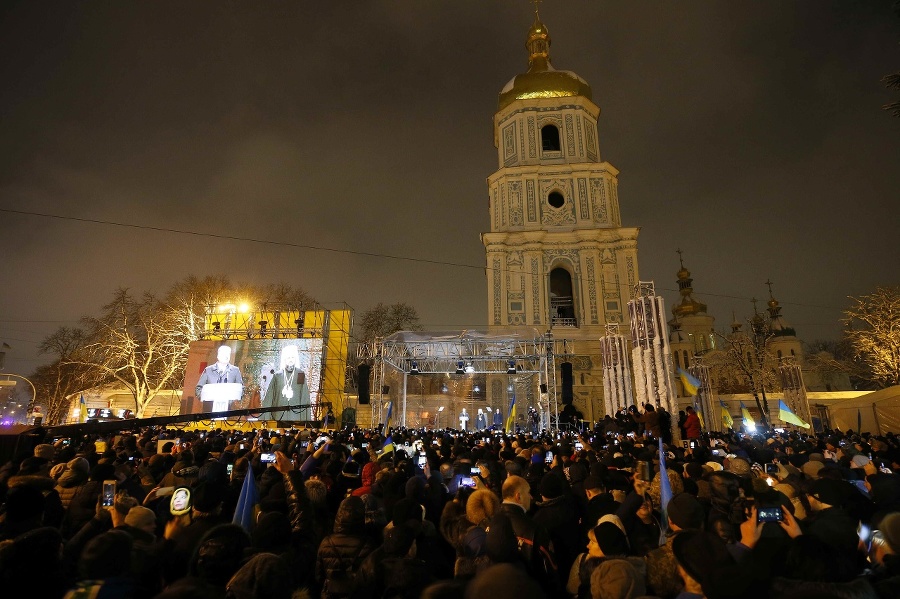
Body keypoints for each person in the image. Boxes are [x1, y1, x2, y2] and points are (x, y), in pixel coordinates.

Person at [263, 345, 311, 422]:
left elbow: (304, 396)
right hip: (278, 413)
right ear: (285, 359)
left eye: (292, 357)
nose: (290, 360)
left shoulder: (300, 374)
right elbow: (270, 396)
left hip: (295, 414)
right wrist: (266, 418)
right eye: (288, 358)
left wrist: (304, 418)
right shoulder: (277, 375)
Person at [195, 345, 244, 410]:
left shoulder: (235, 370)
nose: (226, 356)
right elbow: (198, 388)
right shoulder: (208, 370)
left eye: (228, 354)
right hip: (209, 409)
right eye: (224, 353)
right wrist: (206, 398)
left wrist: (234, 400)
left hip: (228, 409)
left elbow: (241, 389)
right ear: (218, 356)